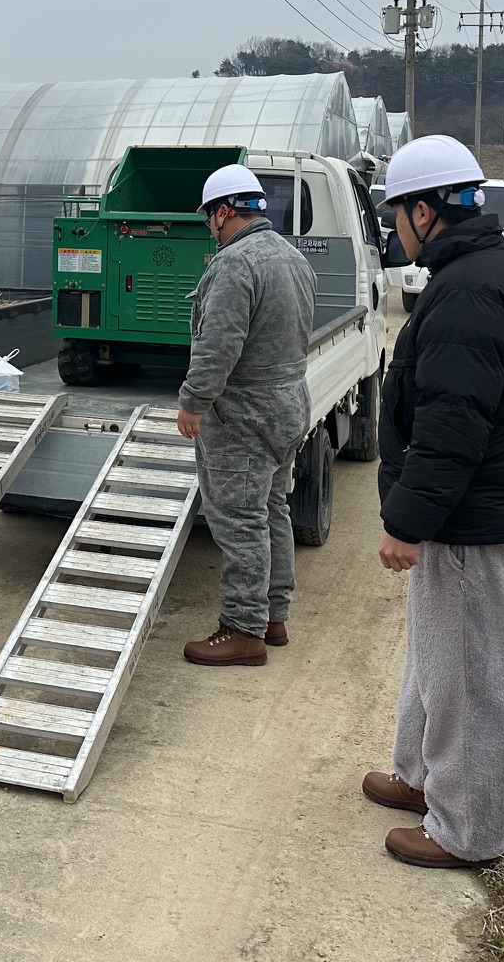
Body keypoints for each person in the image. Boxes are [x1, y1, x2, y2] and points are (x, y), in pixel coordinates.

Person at [362, 134, 504, 870]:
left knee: (470, 675)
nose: (393, 232)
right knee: (436, 654)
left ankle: (468, 831)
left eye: (395, 216)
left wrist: (408, 520)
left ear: (424, 210)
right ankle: (421, 778)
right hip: (476, 507)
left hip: (465, 516)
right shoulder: (489, 269)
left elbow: (452, 423)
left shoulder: (471, 289)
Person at [175, 163, 316, 667]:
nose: (209, 227)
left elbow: (218, 345)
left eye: (210, 216)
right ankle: (272, 617)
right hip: (288, 404)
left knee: (238, 520)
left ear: (225, 211)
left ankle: (242, 630)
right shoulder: (291, 257)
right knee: (272, 509)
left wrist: (194, 401)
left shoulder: (235, 264)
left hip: (243, 413)